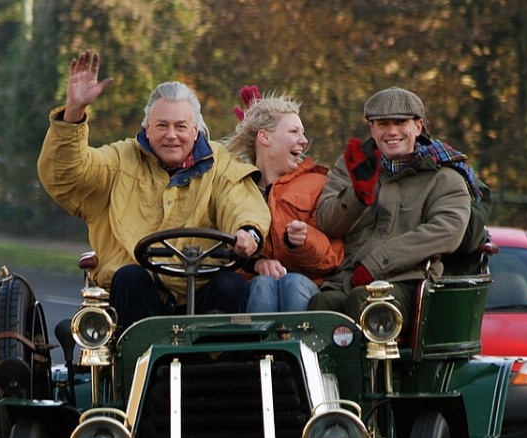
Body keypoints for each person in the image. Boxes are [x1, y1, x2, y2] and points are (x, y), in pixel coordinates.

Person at [37, 50, 270, 331]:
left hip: (201, 292)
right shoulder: (120, 159)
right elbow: (66, 175)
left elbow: (241, 202)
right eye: (162, 126)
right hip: (135, 298)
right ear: (147, 129)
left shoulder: (220, 164)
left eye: (180, 126)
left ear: (195, 130)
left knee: (231, 285)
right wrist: (74, 112)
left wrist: (247, 231)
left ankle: (215, 370)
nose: (171, 135)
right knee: (130, 277)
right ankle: (138, 364)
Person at [309, 87, 478, 327]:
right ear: (372, 129)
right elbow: (326, 222)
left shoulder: (445, 177)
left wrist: (377, 264)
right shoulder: (353, 166)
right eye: (383, 124)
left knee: (365, 303)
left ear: (418, 127)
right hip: (346, 279)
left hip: (406, 282)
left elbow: (448, 230)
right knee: (321, 308)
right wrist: (358, 196)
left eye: (400, 123)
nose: (391, 132)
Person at [222, 87, 344, 313]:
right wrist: (255, 264)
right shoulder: (233, 189)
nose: (304, 140)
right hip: (254, 290)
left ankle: (301, 347)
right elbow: (217, 256)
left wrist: (305, 241)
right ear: (265, 137)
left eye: (303, 132)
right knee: (262, 285)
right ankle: (258, 349)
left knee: (292, 283)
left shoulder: (319, 184)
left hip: (306, 286)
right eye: (294, 131)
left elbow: (333, 258)